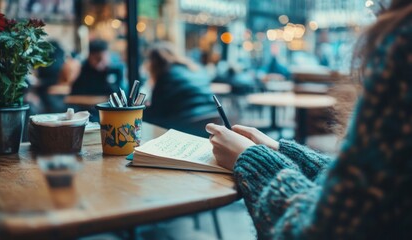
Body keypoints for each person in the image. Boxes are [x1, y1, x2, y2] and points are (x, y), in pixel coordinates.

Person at [206, 0, 412, 239]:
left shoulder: (403, 43)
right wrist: (278, 150)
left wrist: (252, 159)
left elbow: (323, 230)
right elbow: (361, 186)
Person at [143, 42, 219, 137]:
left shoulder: (165, 75)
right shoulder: (195, 69)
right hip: (211, 118)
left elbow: (157, 111)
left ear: (154, 62)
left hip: (185, 122)